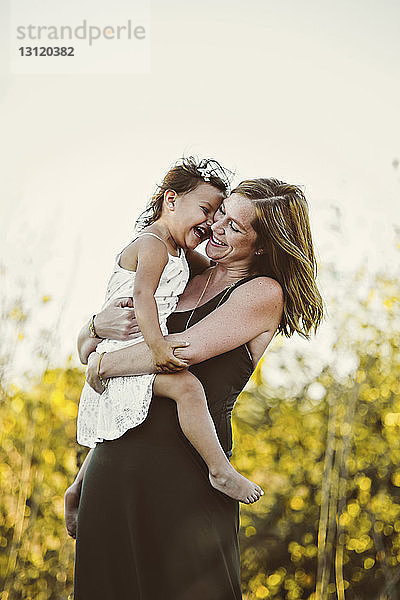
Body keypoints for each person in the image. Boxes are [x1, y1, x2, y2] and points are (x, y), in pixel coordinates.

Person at [66, 177, 324, 600]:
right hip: (113, 467)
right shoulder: (182, 273)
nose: (216, 227)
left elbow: (178, 353)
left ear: (263, 246)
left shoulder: (261, 293)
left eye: (235, 227)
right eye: (220, 213)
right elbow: (128, 381)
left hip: (187, 476)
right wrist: (92, 331)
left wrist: (100, 364)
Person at [76, 156, 262, 504]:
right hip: (128, 348)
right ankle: (220, 470)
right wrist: (158, 348)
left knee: (128, 413)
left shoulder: (180, 252)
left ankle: (77, 488)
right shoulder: (154, 244)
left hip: (127, 352)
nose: (212, 223)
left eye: (221, 217)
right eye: (208, 210)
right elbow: (142, 295)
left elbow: (214, 275)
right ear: (171, 200)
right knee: (188, 387)